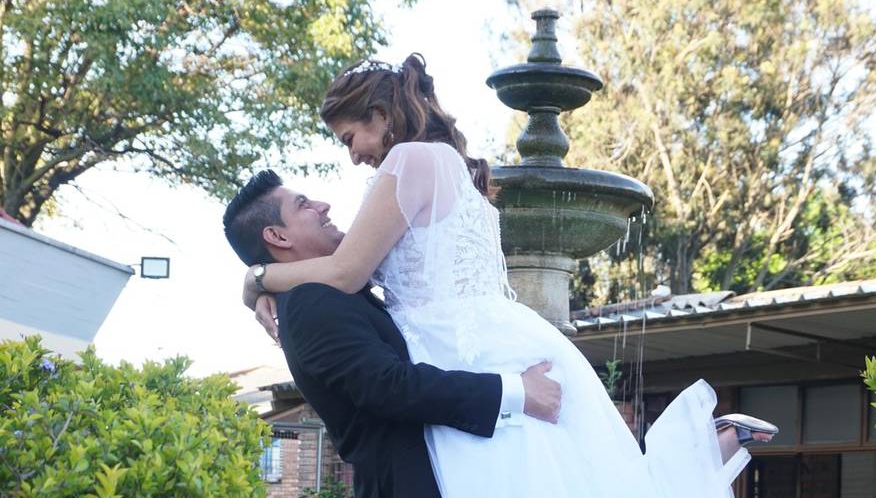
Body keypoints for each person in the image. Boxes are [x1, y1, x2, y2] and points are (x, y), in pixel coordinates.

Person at [242, 54, 776, 497]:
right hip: (480, 334)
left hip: (455, 346)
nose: (354, 154)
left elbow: (346, 269)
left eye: (349, 135)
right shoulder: (443, 162)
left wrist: (258, 280)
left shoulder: (406, 162)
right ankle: (710, 449)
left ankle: (709, 447)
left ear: (380, 114)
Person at [223, 170, 563, 498]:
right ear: (277, 236)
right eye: (303, 205)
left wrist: (257, 281)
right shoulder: (307, 301)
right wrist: (517, 392)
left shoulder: (340, 289)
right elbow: (388, 386)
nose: (322, 205)